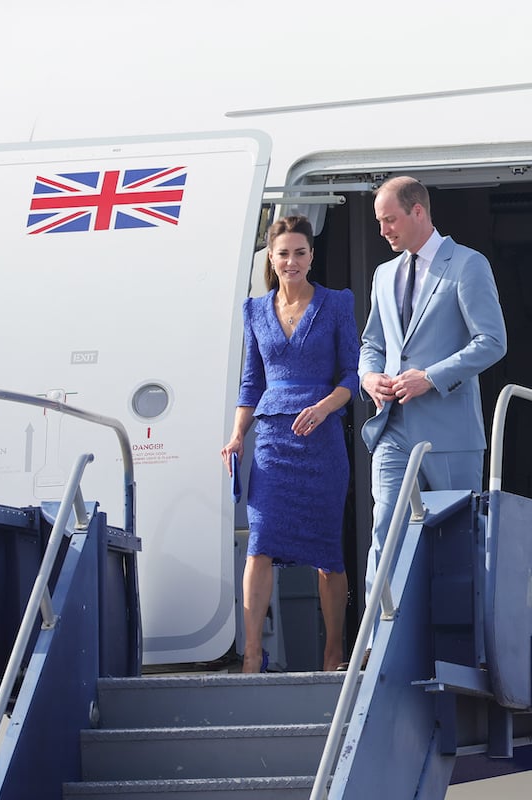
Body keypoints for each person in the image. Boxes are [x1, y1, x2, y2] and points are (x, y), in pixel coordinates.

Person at [221, 215, 359, 673]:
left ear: (311, 256)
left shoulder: (337, 303)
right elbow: (250, 384)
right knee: (259, 542)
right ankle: (253, 652)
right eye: (283, 253)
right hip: (272, 444)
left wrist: (324, 408)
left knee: (327, 552)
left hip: (321, 443)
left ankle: (334, 650)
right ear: (271, 258)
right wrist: (238, 435)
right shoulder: (254, 310)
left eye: (300, 252)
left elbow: (351, 376)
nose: (292, 261)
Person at [359, 176, 507, 597]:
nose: (383, 230)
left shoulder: (467, 264)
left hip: (450, 431)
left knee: (460, 541)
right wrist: (369, 377)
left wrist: (431, 377)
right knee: (385, 526)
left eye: (390, 220)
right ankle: (375, 644)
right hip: (392, 427)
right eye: (379, 221)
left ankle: (464, 651)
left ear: (418, 212)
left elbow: (493, 342)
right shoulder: (384, 275)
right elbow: (372, 342)